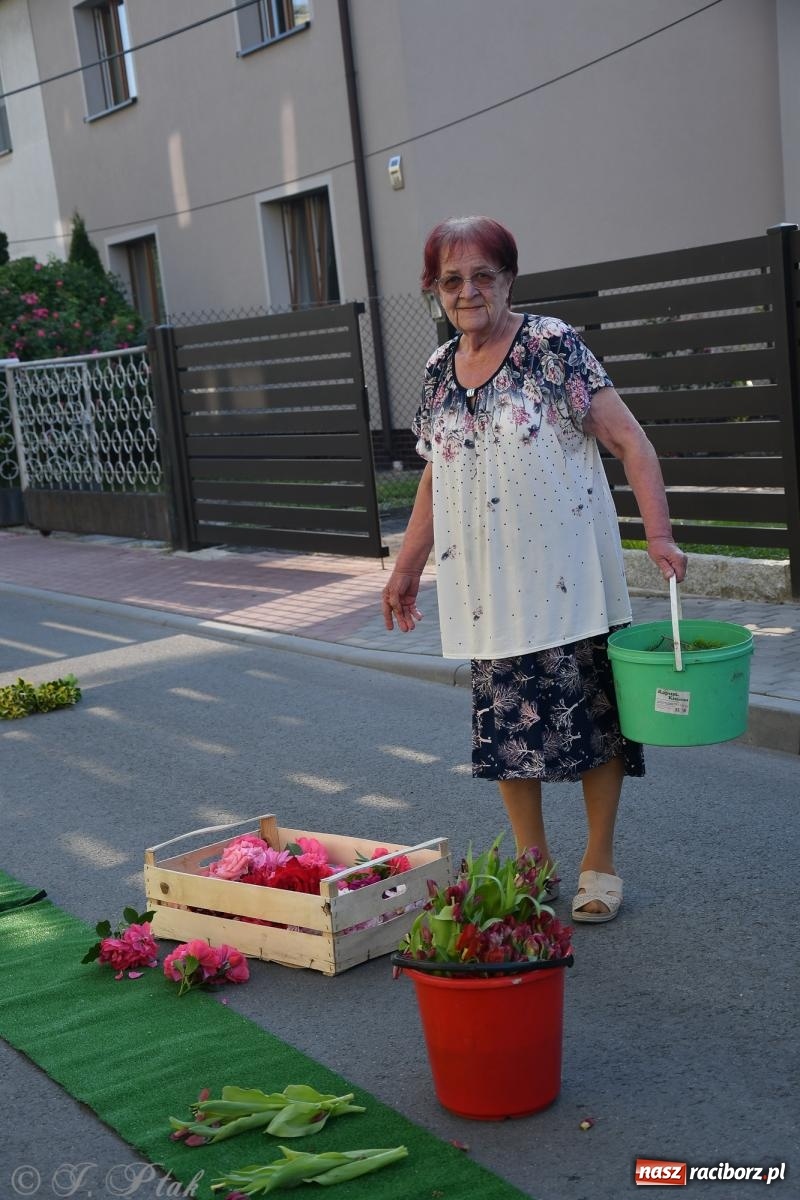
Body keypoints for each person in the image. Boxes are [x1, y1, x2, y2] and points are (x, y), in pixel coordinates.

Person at [381, 215, 687, 924]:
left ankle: (599, 863)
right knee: (507, 734)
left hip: (569, 581)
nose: (468, 291)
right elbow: (436, 476)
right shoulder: (436, 372)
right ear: (434, 290)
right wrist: (406, 569)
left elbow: (630, 442)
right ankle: (534, 863)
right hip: (489, 592)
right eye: (451, 280)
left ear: (508, 278)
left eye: (482, 275)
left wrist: (660, 535)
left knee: (596, 728)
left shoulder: (552, 347)